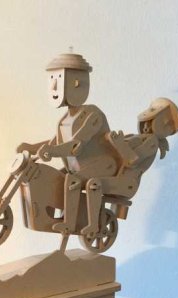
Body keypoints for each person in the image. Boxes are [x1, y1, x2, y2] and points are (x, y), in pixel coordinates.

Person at [17, 52, 118, 238]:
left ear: (77, 83)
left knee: (71, 181)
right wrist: (32, 147)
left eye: (59, 79)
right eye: (52, 79)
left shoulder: (93, 115)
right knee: (54, 179)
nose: (54, 86)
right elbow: (55, 142)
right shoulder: (65, 118)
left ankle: (69, 224)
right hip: (78, 167)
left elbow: (75, 146)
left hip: (101, 165)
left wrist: (52, 151)